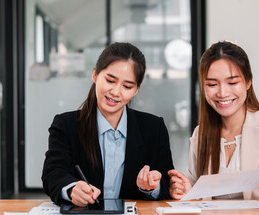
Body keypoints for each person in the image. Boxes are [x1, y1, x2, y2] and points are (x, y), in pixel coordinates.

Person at [168, 41, 259, 200]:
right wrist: (185, 191)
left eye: (232, 83)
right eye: (212, 84)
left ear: (248, 82)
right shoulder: (200, 134)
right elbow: (196, 191)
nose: (222, 93)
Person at [42, 42, 174, 206]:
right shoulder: (66, 125)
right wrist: (71, 189)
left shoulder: (154, 128)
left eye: (127, 86)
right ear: (95, 75)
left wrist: (151, 188)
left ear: (136, 90)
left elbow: (167, 180)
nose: (116, 92)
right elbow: (53, 173)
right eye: (110, 80)